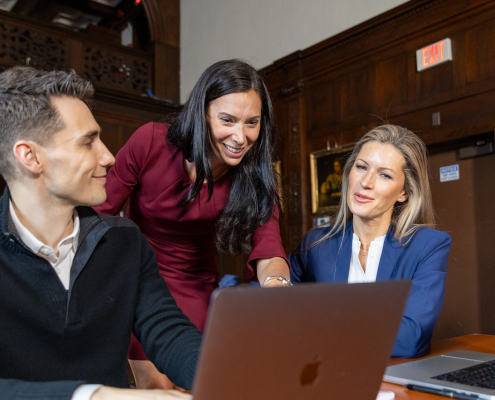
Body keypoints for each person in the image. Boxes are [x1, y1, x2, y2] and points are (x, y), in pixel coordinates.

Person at [0, 66, 202, 400]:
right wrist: (96, 396)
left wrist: (223, 379)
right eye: (88, 142)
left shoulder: (126, 241)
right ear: (30, 156)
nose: (109, 157)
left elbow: (169, 332)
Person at [95, 59, 290, 388]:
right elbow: (99, 212)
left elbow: (269, 247)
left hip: (197, 288)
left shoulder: (255, 178)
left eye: (252, 123)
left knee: (203, 385)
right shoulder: (151, 142)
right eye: (227, 120)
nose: (240, 137)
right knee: (157, 386)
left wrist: (277, 287)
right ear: (202, 113)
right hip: (139, 283)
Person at [290, 124, 451, 358]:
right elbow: (270, 303)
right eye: (361, 167)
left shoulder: (427, 246)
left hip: (392, 384)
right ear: (349, 172)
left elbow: (409, 339)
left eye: (384, 175)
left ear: (404, 192)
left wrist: (317, 320)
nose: (366, 182)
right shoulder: (316, 243)